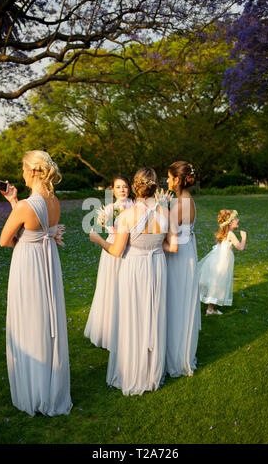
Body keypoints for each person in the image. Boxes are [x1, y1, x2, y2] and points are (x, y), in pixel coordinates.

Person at [89, 167, 178, 395]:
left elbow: (117, 251)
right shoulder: (166, 213)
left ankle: (131, 371)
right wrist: (155, 246)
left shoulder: (126, 216)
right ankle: (151, 373)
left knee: (132, 317)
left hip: (134, 268)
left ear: (135, 187)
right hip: (157, 266)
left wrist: (98, 239)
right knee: (153, 316)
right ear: (155, 187)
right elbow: (174, 247)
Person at [0, 150, 72, 417]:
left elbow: (5, 240)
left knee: (30, 319)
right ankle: (49, 386)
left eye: (22, 169)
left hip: (29, 265)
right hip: (48, 262)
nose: (21, 174)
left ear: (32, 171)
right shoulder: (54, 201)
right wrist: (14, 201)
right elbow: (36, 226)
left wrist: (16, 205)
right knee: (45, 318)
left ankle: (34, 389)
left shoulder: (25, 207)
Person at [84, 175, 134, 350]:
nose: (122, 190)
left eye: (125, 186)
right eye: (118, 187)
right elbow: (104, 229)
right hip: (111, 250)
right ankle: (108, 331)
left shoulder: (136, 208)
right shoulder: (108, 209)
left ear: (130, 188)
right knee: (111, 288)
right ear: (113, 190)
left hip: (130, 250)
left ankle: (126, 329)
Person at [163, 161, 201, 378]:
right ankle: (181, 352)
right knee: (181, 302)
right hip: (187, 253)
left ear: (177, 180)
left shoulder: (179, 205)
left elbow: (165, 232)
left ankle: (175, 358)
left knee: (176, 303)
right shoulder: (186, 200)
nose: (167, 181)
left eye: (169, 177)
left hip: (178, 257)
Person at [198, 209, 247, 315]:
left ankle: (199, 303)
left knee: (207, 281)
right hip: (221, 263)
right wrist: (244, 237)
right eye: (235, 219)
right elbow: (240, 247)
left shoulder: (224, 233)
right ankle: (209, 310)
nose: (237, 220)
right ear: (230, 222)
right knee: (217, 284)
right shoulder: (230, 234)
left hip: (214, 260)